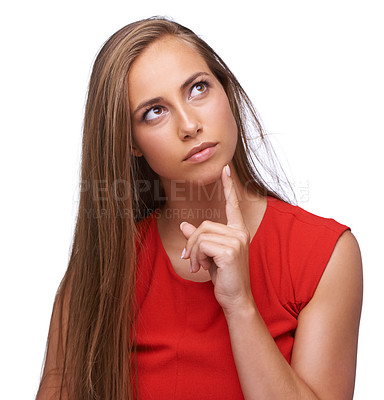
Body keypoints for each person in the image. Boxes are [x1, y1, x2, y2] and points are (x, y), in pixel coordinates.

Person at [36, 17, 363, 400]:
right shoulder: (101, 270)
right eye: (154, 112)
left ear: (227, 91)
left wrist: (240, 305)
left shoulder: (324, 255)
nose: (189, 125)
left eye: (198, 88)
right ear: (131, 143)